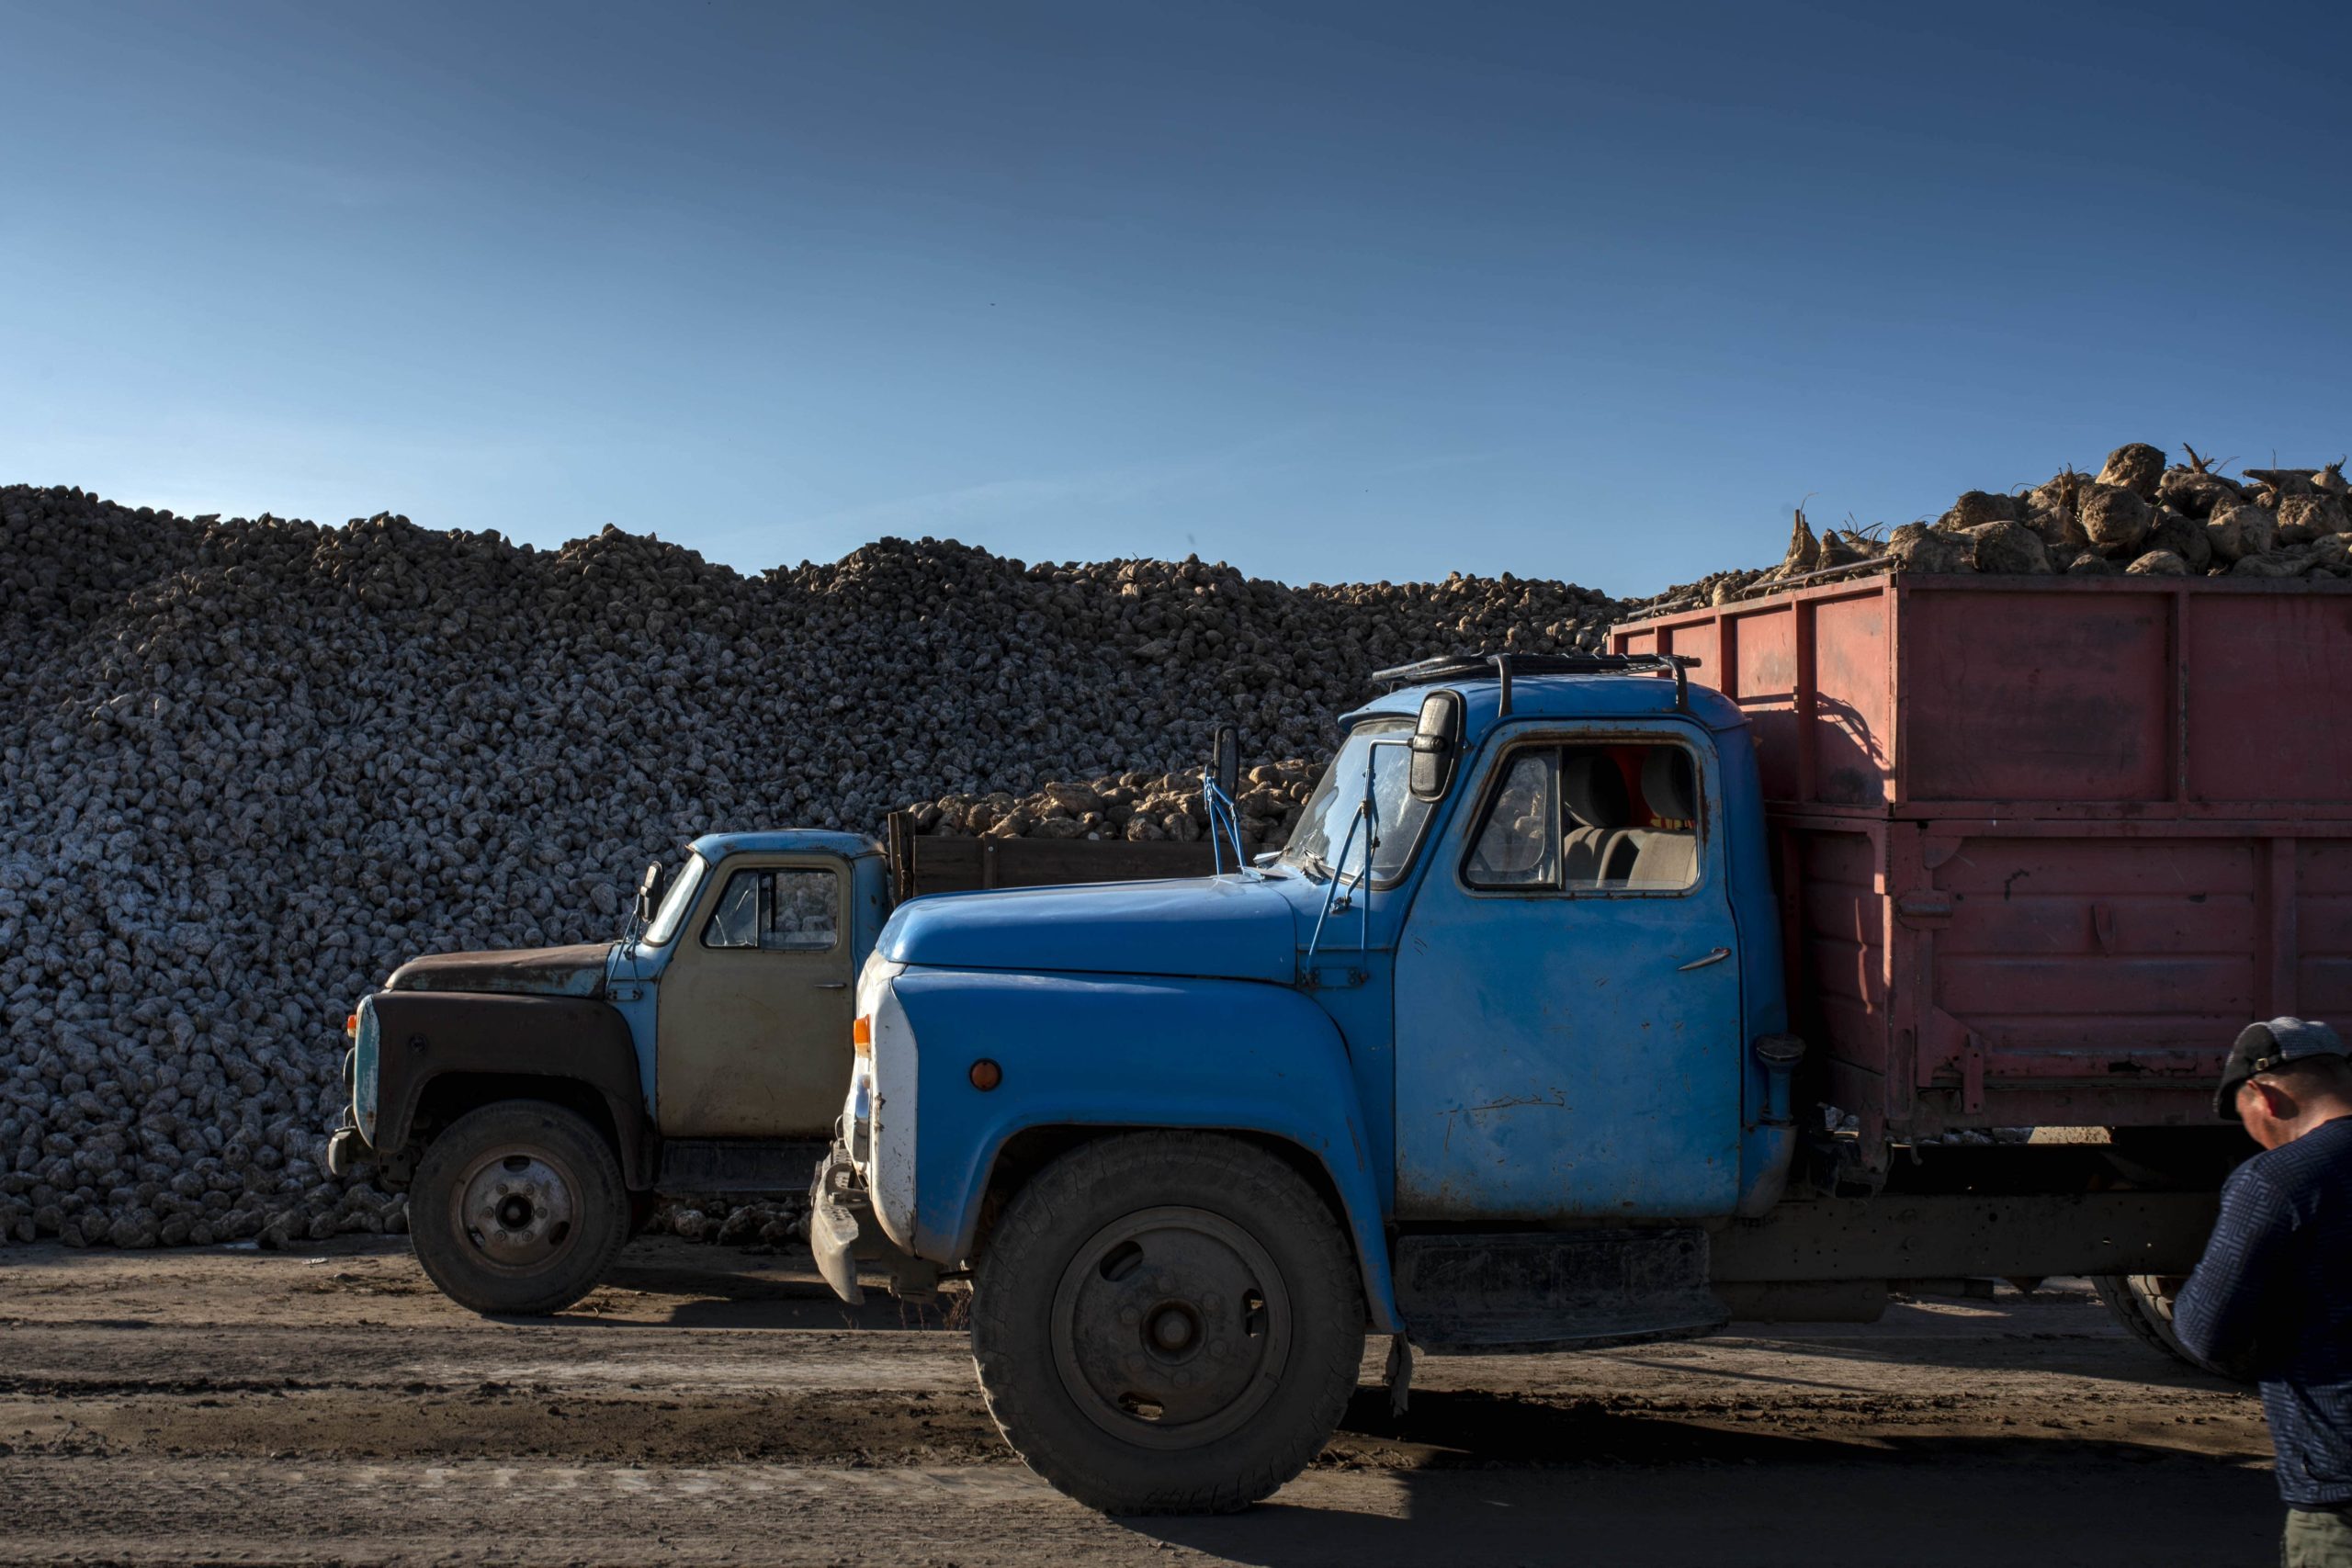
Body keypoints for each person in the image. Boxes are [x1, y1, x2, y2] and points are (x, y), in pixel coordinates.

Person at [2175, 1017, 2352, 1567]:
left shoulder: (2276, 1181)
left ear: (2264, 1096)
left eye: (2244, 1117)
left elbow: (2209, 1333)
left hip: (2338, 1488)